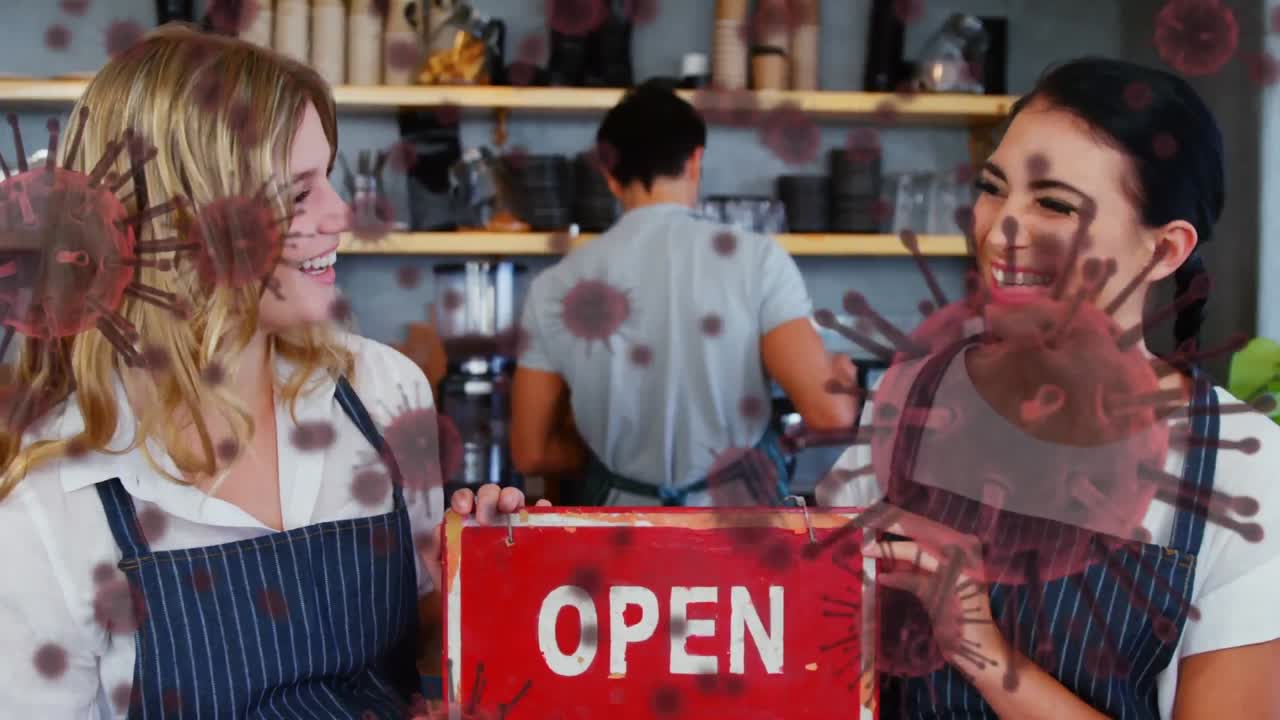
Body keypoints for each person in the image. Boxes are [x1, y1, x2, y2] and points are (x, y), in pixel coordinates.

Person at [0, 26, 543, 718]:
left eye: (331, 178)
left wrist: (490, 584)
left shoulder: (381, 394)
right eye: (297, 194)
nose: (342, 214)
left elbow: (419, 645)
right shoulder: (49, 500)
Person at [818, 57, 1280, 718]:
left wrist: (982, 652)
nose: (1001, 230)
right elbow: (812, 615)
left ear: (1166, 249)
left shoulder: (1245, 472)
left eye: (1054, 204)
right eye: (993, 187)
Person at [510, 80, 857, 507]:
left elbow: (531, 451)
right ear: (695, 161)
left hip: (618, 533)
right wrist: (840, 375)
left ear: (609, 175)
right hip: (737, 532)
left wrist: (609, 451)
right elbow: (830, 414)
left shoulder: (554, 287)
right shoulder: (758, 261)